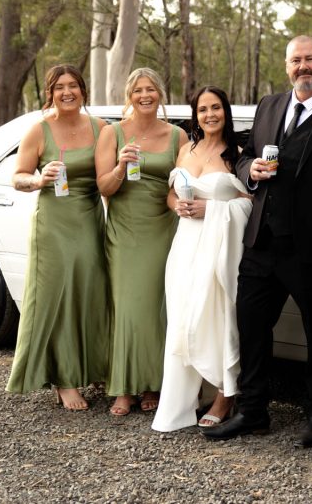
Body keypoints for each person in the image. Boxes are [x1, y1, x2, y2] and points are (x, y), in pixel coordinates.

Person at [202, 36, 312, 448]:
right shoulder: (269, 106)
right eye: (296, 61)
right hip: (261, 243)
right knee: (252, 327)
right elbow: (243, 156)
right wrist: (250, 171)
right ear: (287, 67)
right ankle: (254, 412)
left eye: (310, 59)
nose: (303, 67)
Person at [6, 65, 110, 410]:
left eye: (74, 86)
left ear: (83, 90)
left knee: (90, 293)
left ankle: (93, 367)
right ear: (50, 93)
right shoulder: (39, 130)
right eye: (60, 87)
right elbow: (17, 177)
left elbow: (109, 177)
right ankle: (64, 380)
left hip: (89, 218)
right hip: (53, 223)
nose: (68, 92)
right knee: (58, 296)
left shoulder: (101, 128)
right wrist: (38, 180)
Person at [152, 86, 253, 432]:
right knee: (183, 319)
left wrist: (212, 209)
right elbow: (170, 194)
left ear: (226, 111)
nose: (210, 115)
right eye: (203, 109)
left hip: (219, 247)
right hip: (184, 246)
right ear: (195, 115)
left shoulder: (238, 154)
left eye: (216, 108)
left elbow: (250, 205)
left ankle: (225, 395)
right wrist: (177, 205)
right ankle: (183, 399)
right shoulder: (186, 149)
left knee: (218, 317)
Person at [95, 67, 187, 416]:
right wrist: (120, 167)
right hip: (124, 233)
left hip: (164, 228)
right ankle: (123, 387)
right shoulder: (112, 133)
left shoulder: (177, 135)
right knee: (128, 307)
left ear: (160, 94)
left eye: (151, 89)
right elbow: (104, 187)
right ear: (129, 97)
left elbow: (182, 183)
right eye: (138, 90)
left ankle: (153, 383)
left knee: (157, 309)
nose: (145, 95)